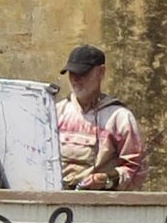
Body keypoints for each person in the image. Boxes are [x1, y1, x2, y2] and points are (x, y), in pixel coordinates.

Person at [55, 43, 145, 191]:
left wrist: (106, 180)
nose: (76, 79)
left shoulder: (119, 118)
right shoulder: (56, 112)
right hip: (57, 201)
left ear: (101, 72)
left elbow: (136, 168)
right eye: (72, 73)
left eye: (83, 74)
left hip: (99, 203)